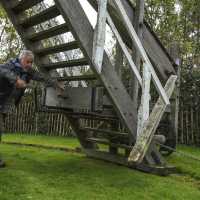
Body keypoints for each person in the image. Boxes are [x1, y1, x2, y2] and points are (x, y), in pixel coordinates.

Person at [0, 50, 63, 167]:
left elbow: (41, 77)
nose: (29, 64)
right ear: (21, 59)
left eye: (31, 62)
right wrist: (16, 79)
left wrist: (55, 84)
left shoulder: (28, 71)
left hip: (6, 104)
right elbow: (1, 70)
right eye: (27, 61)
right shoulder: (11, 65)